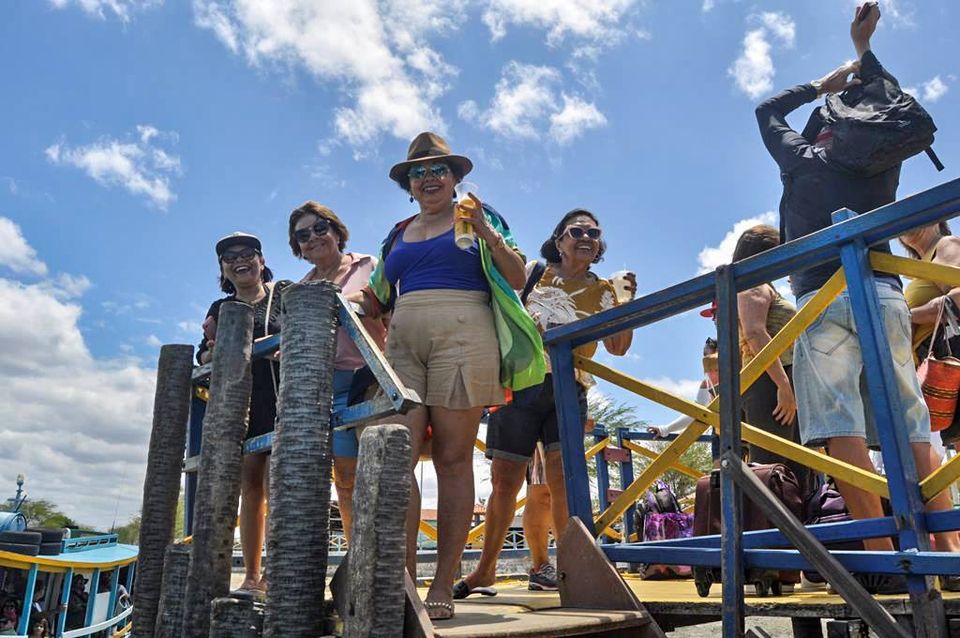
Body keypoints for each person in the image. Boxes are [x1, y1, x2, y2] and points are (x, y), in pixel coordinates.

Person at [756, 3, 960, 591]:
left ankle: (879, 553)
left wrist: (823, 84)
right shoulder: (880, 167)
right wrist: (864, 51)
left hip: (823, 297)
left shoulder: (803, 157)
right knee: (911, 421)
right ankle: (948, 548)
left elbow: (766, 110)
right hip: (884, 292)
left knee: (839, 425)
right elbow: (890, 104)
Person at [352, 132, 539, 620]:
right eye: (419, 172)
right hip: (403, 344)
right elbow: (377, 295)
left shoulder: (480, 216)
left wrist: (487, 234)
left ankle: (442, 581)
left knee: (453, 460)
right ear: (408, 184)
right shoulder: (397, 232)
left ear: (455, 178)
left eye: (439, 169)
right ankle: (403, 578)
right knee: (396, 455)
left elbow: (517, 277)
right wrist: (345, 301)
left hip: (465, 334)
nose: (429, 177)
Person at [457, 209, 635, 597]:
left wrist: (625, 301)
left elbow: (618, 347)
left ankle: (571, 569)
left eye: (594, 232)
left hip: (569, 389)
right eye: (577, 231)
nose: (586, 237)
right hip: (521, 382)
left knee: (562, 483)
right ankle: (486, 569)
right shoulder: (534, 273)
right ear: (559, 240)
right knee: (505, 480)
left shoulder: (605, 289)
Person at [288, 201, 387, 542]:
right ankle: (356, 552)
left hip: (371, 378)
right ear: (298, 247)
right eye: (303, 235)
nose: (313, 238)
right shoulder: (300, 288)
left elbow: (392, 315)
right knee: (345, 478)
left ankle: (386, 554)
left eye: (320, 228)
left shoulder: (368, 265)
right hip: (329, 387)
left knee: (380, 469)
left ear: (336, 230)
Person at [197, 232, 291, 592]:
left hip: (286, 399)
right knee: (250, 489)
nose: (240, 260)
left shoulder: (283, 294)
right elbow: (203, 355)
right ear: (223, 269)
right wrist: (214, 349)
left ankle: (276, 573)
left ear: (262, 260)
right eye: (230, 257)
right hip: (244, 404)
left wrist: (274, 346)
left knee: (280, 485)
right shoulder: (220, 308)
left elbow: (304, 332)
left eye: (248, 253)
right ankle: (252, 575)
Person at [729, 225, 810, 493]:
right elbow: (754, 333)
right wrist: (783, 385)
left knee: (795, 470)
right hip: (769, 381)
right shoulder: (753, 284)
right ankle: (769, 520)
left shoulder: (761, 286)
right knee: (772, 470)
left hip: (778, 378)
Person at [900, 222, 960, 448]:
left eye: (912, 214)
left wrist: (909, 316)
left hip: (949, 354)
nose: (906, 221)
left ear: (936, 220)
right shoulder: (920, 265)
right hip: (938, 363)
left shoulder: (945, 245)